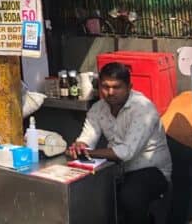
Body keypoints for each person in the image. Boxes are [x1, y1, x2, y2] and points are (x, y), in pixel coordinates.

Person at [68, 62, 172, 224]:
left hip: (151, 170)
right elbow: (87, 138)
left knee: (130, 196)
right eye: (105, 87)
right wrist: (80, 145)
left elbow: (126, 152)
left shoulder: (143, 109)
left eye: (117, 87)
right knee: (89, 192)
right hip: (117, 170)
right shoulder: (98, 109)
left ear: (129, 87)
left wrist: (88, 153)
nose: (110, 92)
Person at [161, 90, 192, 224]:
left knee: (181, 186)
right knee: (185, 183)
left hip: (167, 133)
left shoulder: (186, 95)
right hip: (188, 140)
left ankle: (175, 219)